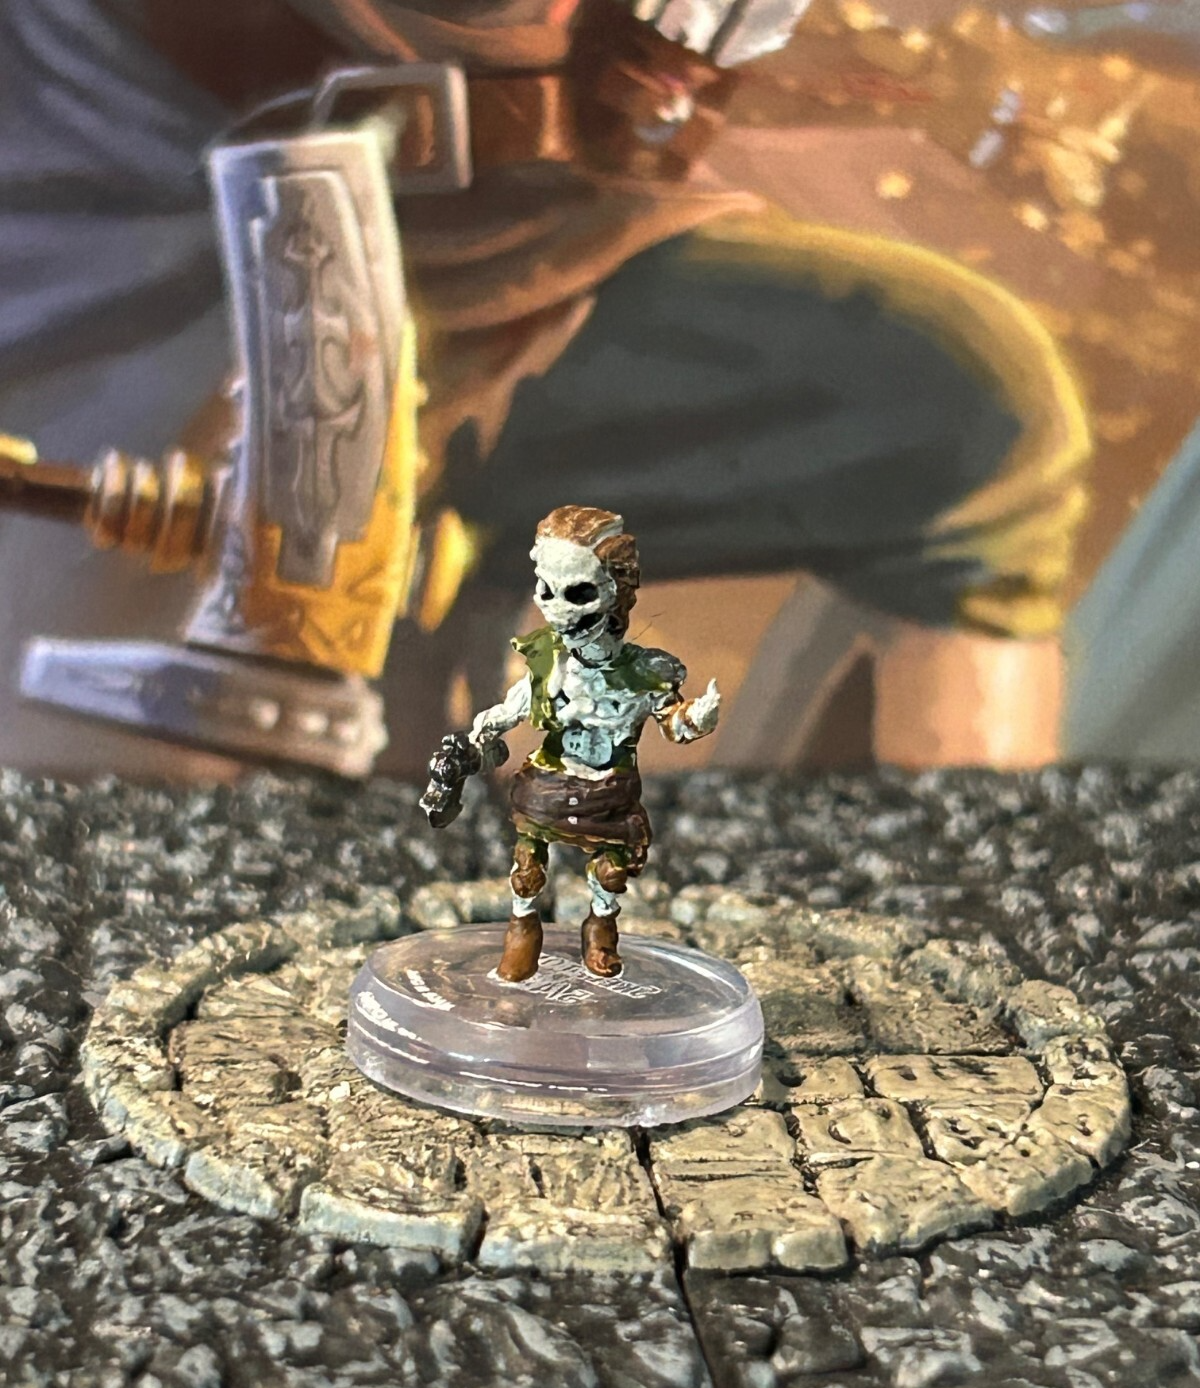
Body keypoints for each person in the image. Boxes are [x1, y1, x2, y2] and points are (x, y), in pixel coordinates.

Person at [0, 0, 1090, 778]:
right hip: (141, 155)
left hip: (510, 201)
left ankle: (941, 990)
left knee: (956, 410)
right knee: (147, 751)